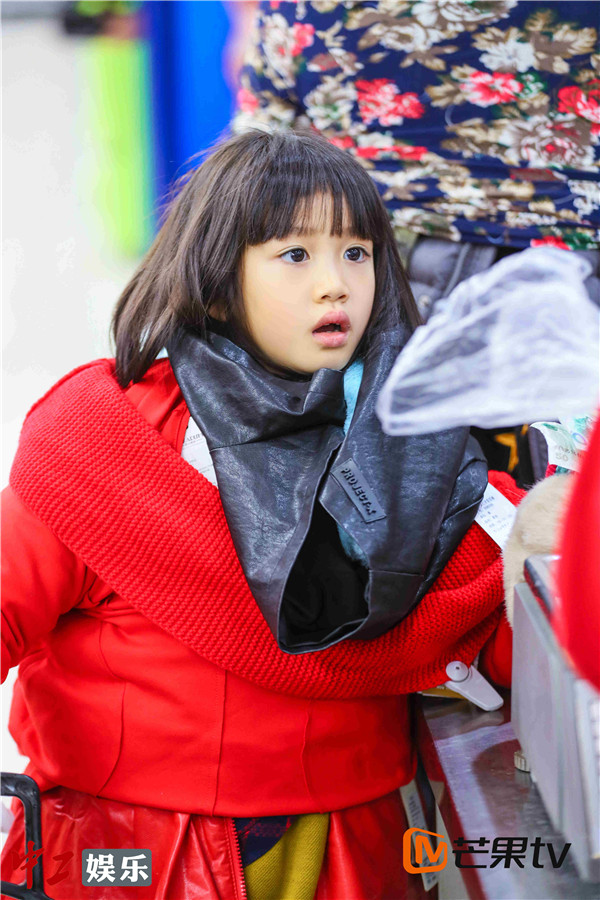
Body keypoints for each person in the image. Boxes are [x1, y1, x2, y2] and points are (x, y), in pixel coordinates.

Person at [1, 130, 521, 900]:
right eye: (295, 255)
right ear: (216, 283)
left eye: (357, 252)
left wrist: (552, 531)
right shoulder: (104, 437)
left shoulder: (419, 446)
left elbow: (503, 625)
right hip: (134, 853)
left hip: (356, 844)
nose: (336, 285)